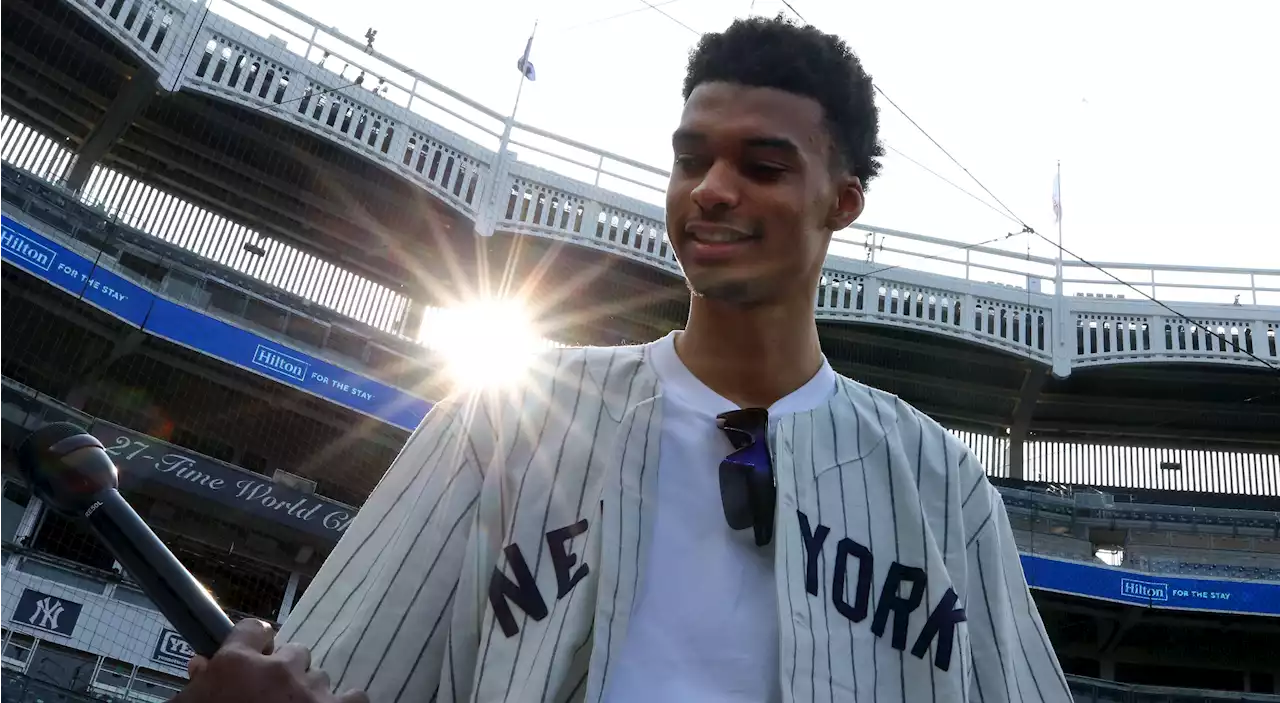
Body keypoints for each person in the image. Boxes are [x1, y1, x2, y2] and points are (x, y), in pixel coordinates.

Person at [177, 15, 1072, 703]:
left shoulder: (942, 484)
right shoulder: (506, 418)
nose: (712, 189)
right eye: (692, 159)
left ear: (842, 203)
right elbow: (334, 674)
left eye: (762, 165)